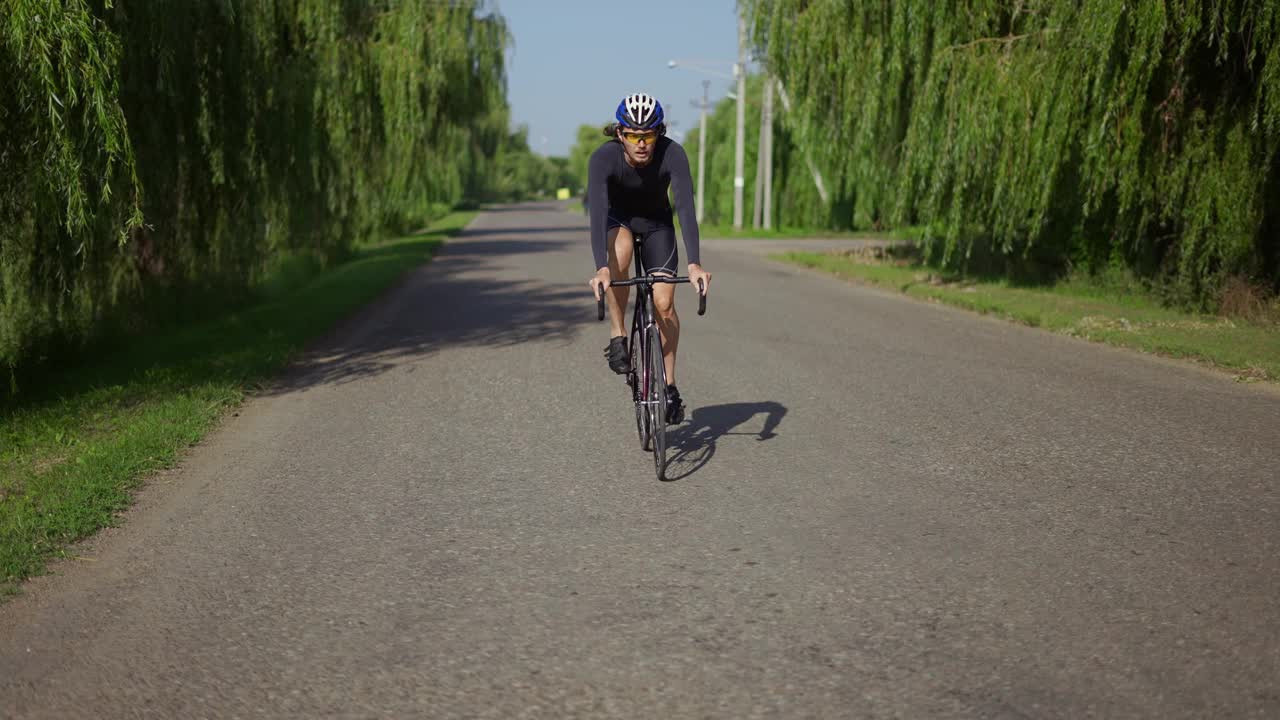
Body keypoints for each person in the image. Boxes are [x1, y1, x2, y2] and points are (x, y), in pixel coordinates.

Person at [586, 93, 710, 424]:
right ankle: (618, 335)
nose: (642, 144)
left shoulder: (673, 154)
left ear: (660, 133)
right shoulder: (603, 159)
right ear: (619, 134)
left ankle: (669, 387)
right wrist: (601, 267)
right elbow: (597, 213)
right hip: (619, 222)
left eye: (649, 135)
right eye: (634, 136)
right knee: (621, 254)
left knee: (665, 303)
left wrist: (694, 263)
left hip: (657, 225)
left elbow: (685, 207)